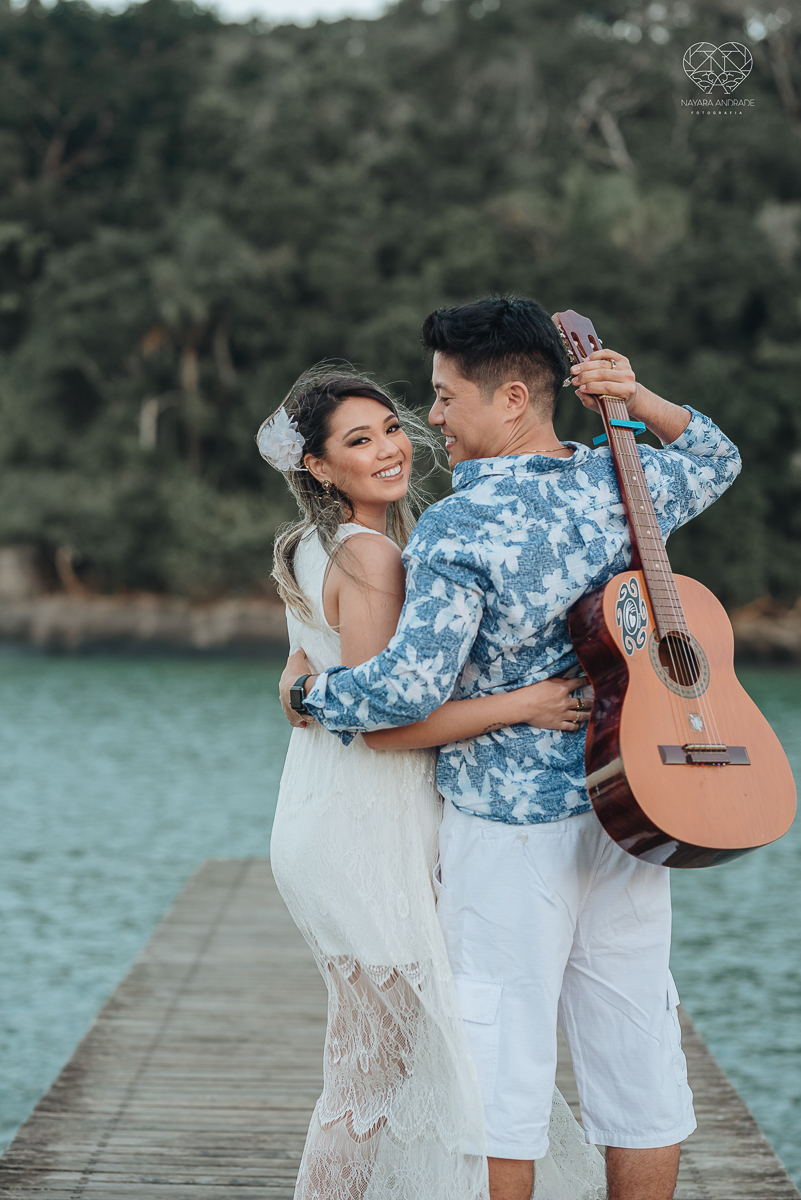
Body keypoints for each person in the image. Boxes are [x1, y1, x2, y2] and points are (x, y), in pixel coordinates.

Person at [280, 297, 743, 1200]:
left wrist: (310, 692)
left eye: (446, 397)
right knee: (638, 1067)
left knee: (497, 1082)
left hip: (508, 832)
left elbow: (405, 693)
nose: (435, 418)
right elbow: (715, 456)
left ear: (516, 398)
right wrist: (636, 395)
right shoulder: (620, 479)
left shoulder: (459, 527)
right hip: (631, 806)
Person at [260, 368, 606, 1200]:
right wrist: (521, 702)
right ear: (316, 466)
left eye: (389, 428)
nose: (388, 449)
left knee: (367, 1064)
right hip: (367, 818)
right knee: (367, 1080)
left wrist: (300, 689)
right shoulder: (374, 553)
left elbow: (319, 673)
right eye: (357, 441)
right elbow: (388, 729)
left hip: (318, 806)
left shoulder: (312, 547)